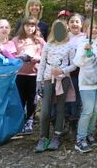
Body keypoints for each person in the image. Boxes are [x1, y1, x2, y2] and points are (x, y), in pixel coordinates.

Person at [35, 20, 77, 153]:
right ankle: (43, 137)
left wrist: (63, 71)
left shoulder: (69, 45)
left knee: (60, 107)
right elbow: (42, 64)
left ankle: (57, 135)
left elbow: (74, 64)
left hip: (62, 80)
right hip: (48, 79)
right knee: (46, 110)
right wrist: (38, 81)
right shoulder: (48, 45)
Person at [73, 19, 97, 153]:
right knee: (87, 110)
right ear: (85, 30)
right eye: (91, 28)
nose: (94, 30)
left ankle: (90, 133)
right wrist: (84, 51)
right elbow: (77, 62)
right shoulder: (82, 43)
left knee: (95, 110)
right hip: (86, 83)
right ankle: (80, 139)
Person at [12, 17, 46, 135]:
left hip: (34, 74)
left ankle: (29, 121)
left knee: (32, 99)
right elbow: (11, 55)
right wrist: (20, 57)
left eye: (32, 26)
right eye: (27, 25)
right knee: (20, 98)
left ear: (36, 27)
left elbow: (46, 56)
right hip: (20, 74)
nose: (30, 28)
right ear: (23, 26)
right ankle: (20, 122)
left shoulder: (40, 41)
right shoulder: (16, 40)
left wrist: (36, 58)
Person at [65, 13, 86, 136]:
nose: (74, 24)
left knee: (77, 97)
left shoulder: (85, 37)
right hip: (65, 72)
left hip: (79, 72)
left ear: (81, 24)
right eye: (72, 21)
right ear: (68, 24)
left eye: (77, 21)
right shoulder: (64, 37)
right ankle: (66, 121)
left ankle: (75, 122)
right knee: (67, 97)